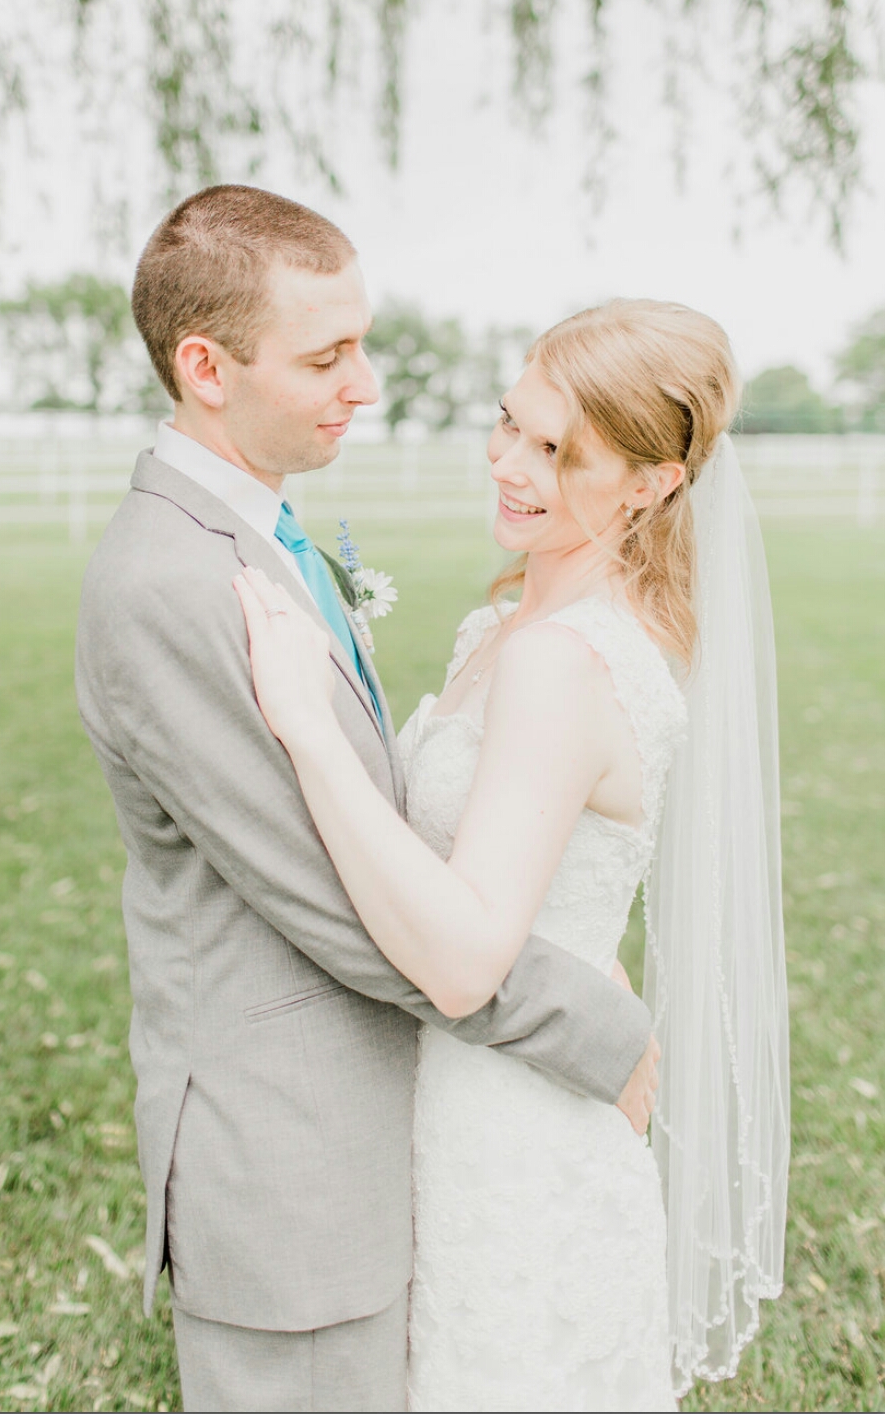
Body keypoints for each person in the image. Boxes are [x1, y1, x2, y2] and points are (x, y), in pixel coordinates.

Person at [75, 185, 660, 1413]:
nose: (367, 383)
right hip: (285, 1170)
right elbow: (333, 900)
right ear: (206, 367)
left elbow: (378, 820)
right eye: (328, 354)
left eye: (364, 342)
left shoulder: (261, 533)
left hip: (376, 1141)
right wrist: (587, 1018)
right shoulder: (170, 581)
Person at [235, 298, 791, 1409]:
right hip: (471, 1087)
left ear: (650, 483)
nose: (509, 464)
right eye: (509, 424)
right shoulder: (501, 632)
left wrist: (304, 725)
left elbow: (464, 960)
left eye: (556, 450)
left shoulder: (563, 664)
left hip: (512, 1135)